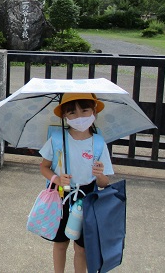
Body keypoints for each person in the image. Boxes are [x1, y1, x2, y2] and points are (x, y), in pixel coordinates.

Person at [39, 93, 114, 273]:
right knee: (60, 243)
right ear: (64, 116)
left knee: (82, 247)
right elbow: (44, 167)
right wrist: (57, 179)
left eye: (85, 110)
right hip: (62, 194)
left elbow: (105, 182)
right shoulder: (57, 139)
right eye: (72, 112)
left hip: (87, 197)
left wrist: (99, 174)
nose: (79, 116)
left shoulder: (98, 143)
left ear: (94, 112)